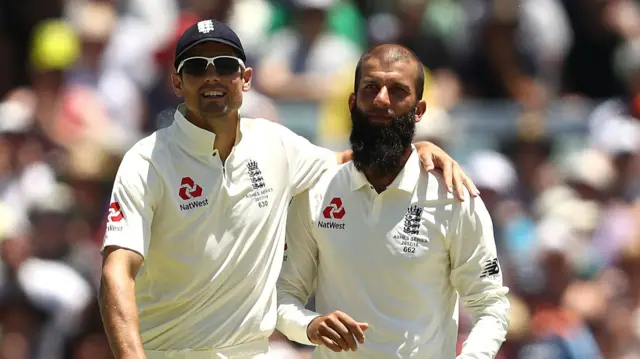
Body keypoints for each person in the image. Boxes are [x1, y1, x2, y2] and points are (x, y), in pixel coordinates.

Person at [98, 20, 476, 359]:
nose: (212, 77)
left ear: (245, 78)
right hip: (168, 351)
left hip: (252, 351)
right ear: (177, 82)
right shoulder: (146, 160)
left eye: (225, 66)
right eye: (197, 67)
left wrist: (416, 149)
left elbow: (353, 160)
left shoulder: (275, 144)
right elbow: (116, 274)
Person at [276, 44, 510, 359]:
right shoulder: (318, 190)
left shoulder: (452, 195)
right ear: (352, 102)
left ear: (420, 109)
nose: (381, 100)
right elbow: (283, 296)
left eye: (398, 91)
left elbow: (490, 304)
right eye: (370, 88)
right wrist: (310, 325)